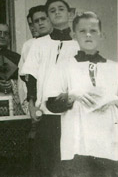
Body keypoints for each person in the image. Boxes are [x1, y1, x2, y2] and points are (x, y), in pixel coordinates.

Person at [45, 12, 118, 176]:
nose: (88, 34)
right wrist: (72, 96)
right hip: (77, 143)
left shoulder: (114, 68)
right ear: (74, 35)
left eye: (93, 30)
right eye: (82, 31)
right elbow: (51, 104)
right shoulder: (63, 67)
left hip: (109, 141)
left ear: (102, 35)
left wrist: (113, 100)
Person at [21, 0, 79, 176]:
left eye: (61, 9)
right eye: (52, 11)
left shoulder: (79, 44)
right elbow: (31, 76)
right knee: (47, 160)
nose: (57, 12)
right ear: (48, 16)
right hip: (46, 112)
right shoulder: (39, 44)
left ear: (71, 14)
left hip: (73, 110)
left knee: (71, 159)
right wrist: (31, 104)